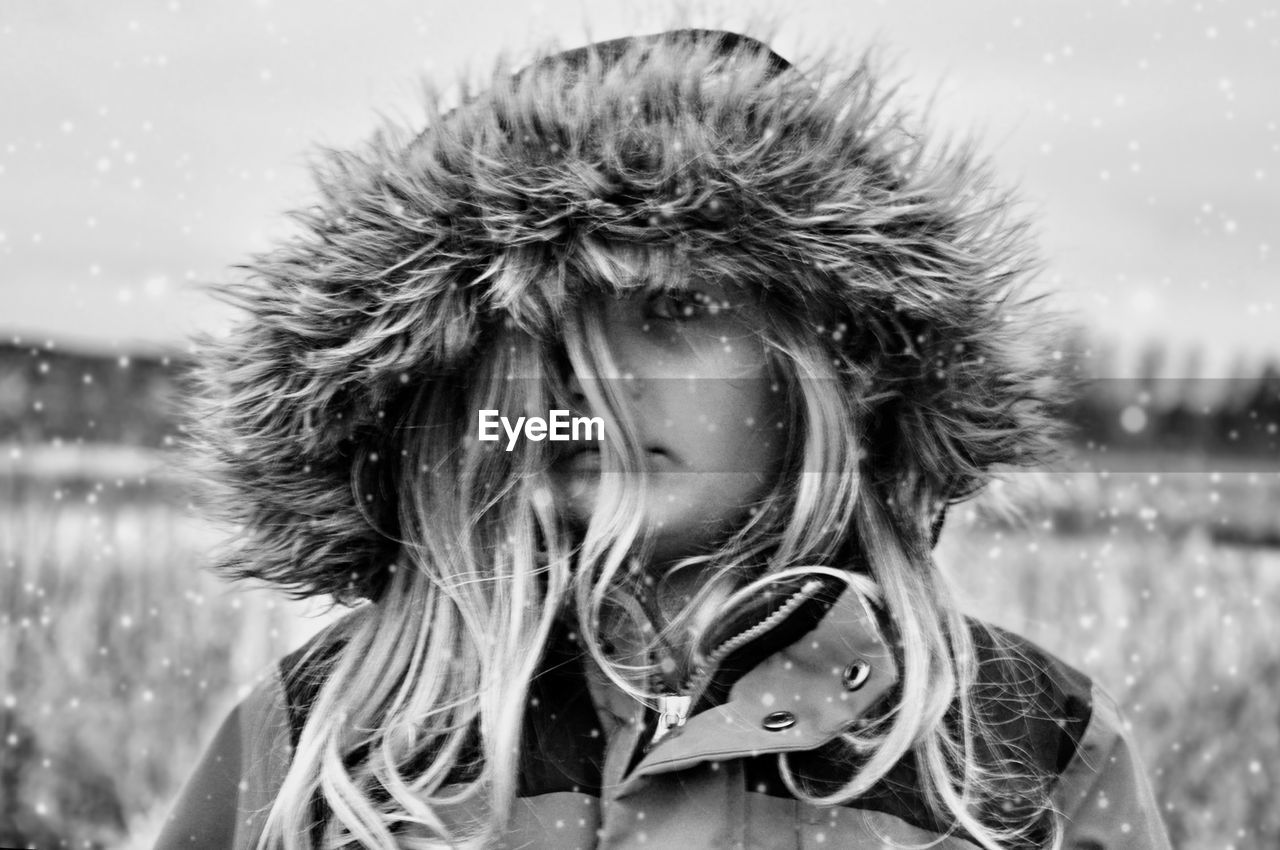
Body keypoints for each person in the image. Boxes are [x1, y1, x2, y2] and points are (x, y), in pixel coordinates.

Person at [156, 29, 1171, 850]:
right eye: (537, 332)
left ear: (835, 362)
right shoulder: (326, 728)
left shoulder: (1021, 741)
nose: (589, 383)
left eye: (673, 312)